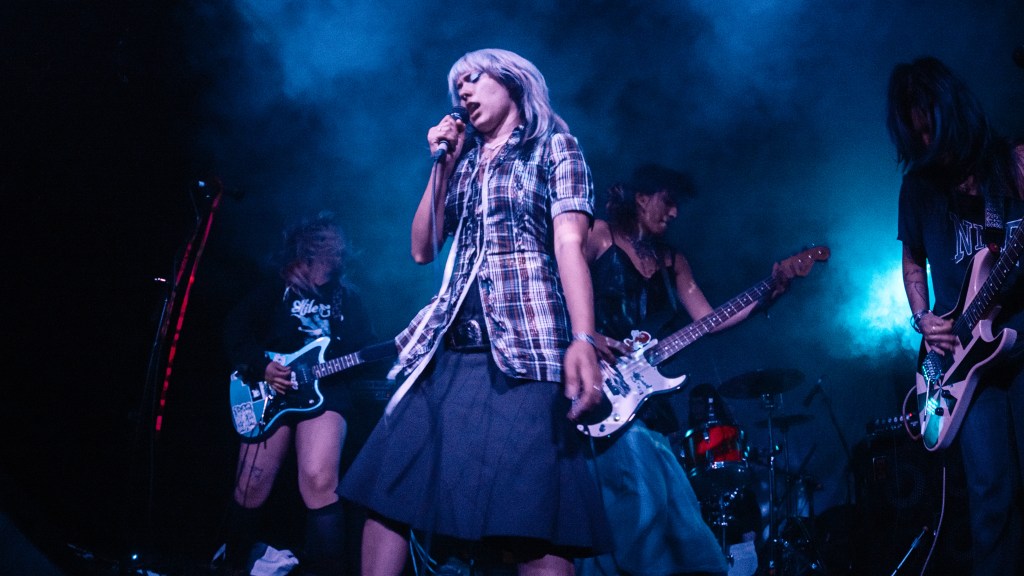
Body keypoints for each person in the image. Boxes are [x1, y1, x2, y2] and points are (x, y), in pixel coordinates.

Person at [339, 48, 611, 575]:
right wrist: (442, 163)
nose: (462, 92)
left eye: (472, 79)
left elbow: (569, 244)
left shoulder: (555, 147)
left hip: (527, 350)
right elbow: (423, 249)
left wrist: (583, 337)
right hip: (449, 349)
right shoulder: (462, 162)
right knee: (390, 490)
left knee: (533, 519)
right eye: (455, 87)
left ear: (512, 82)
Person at [577, 165, 795, 576]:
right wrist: (589, 337)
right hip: (602, 388)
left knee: (680, 516)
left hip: (649, 405)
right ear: (642, 198)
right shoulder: (602, 236)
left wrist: (769, 293)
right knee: (637, 513)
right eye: (668, 201)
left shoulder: (672, 261)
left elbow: (709, 320)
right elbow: (561, 284)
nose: (675, 213)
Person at [890, 56, 1024, 575]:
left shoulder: (1009, 164)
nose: (927, 143)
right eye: (917, 134)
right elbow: (912, 262)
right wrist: (923, 318)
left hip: (1018, 339)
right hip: (962, 364)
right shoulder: (918, 186)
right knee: (991, 497)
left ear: (954, 111)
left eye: (932, 128)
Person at [222, 212, 379, 575]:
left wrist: (365, 358)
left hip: (326, 392)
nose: (341, 248)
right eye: (330, 241)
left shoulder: (348, 298)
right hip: (269, 389)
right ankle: (232, 566)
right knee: (251, 484)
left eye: (341, 242)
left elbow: (365, 349)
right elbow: (235, 328)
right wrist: (262, 366)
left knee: (320, 480)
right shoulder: (277, 288)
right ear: (310, 247)